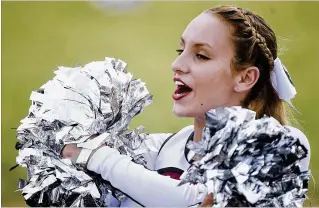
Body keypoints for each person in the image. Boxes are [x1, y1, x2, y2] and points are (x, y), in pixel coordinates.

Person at [62, 5, 311, 207]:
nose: (177, 64)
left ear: (245, 78)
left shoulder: (282, 147)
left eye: (201, 55)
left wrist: (99, 158)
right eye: (180, 49)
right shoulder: (159, 149)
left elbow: (201, 200)